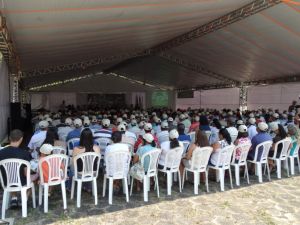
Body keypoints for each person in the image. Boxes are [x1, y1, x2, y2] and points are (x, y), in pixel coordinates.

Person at [0, 130, 32, 207]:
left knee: (10, 175)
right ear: (21, 139)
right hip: (21, 182)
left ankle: (14, 198)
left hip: (5, 182)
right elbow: (26, 173)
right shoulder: (24, 153)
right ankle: (24, 200)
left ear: (10, 138)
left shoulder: (1, 152)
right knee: (31, 179)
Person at [72, 128, 100, 192]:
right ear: (91, 137)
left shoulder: (76, 149)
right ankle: (88, 187)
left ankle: (70, 188)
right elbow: (97, 161)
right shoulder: (97, 148)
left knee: (72, 168)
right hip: (93, 172)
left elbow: (73, 163)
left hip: (80, 173)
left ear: (81, 137)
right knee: (88, 167)